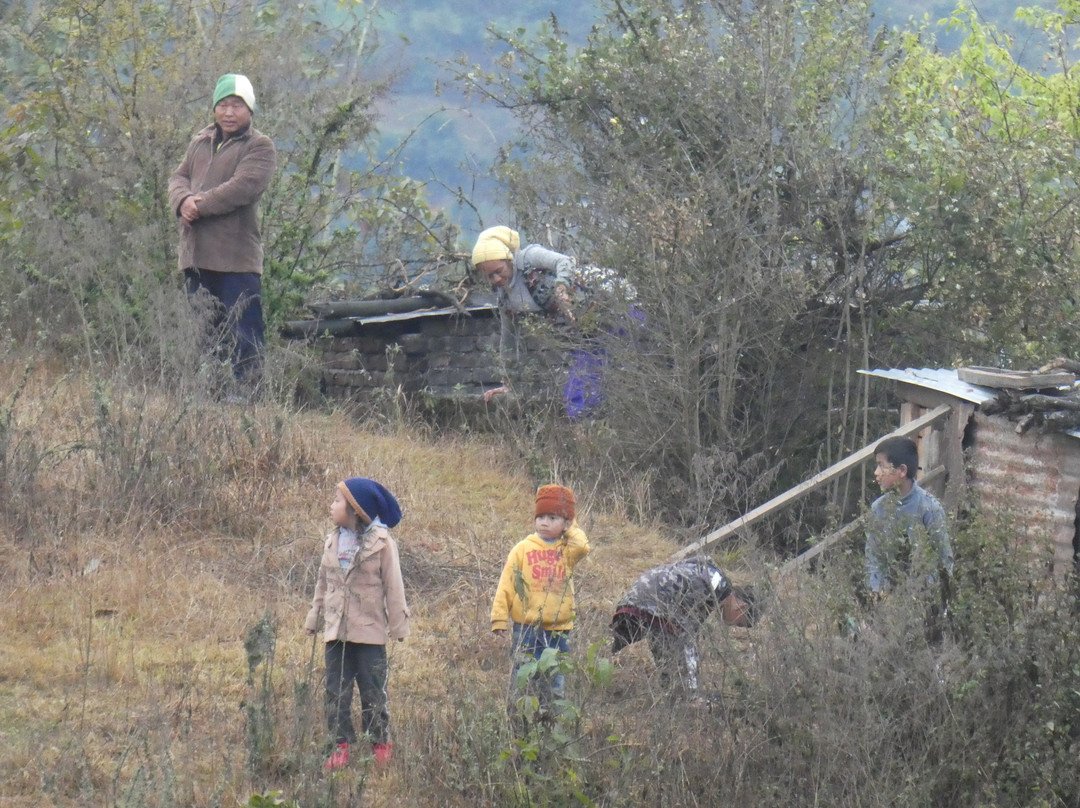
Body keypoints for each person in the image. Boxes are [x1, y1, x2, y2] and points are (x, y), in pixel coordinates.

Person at [168, 73, 277, 395]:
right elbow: (178, 176)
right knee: (204, 332)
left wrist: (198, 206)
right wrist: (182, 201)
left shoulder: (260, 146)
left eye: (237, 105)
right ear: (215, 108)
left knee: (245, 331)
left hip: (236, 259)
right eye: (223, 105)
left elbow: (244, 187)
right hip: (196, 255)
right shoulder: (199, 142)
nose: (229, 113)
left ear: (250, 110)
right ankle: (208, 396)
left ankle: (249, 398)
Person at [304, 477, 410, 771]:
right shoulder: (332, 541)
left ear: (356, 510)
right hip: (336, 631)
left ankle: (379, 742)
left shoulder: (383, 544)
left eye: (337, 501)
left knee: (373, 689)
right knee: (335, 690)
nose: (331, 505)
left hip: (370, 633)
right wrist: (315, 617)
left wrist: (399, 626)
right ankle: (340, 744)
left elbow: (394, 586)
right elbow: (323, 583)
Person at [491, 484, 591, 718]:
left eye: (553, 517)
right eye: (541, 516)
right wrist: (499, 618)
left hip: (558, 630)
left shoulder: (567, 550)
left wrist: (570, 520)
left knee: (555, 678)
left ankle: (550, 721)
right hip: (526, 629)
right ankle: (518, 720)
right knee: (523, 676)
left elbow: (583, 547)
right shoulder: (522, 549)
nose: (545, 522)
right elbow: (506, 584)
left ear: (565, 522)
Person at [471, 226, 587, 403]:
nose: (496, 279)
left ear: (509, 259)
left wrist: (561, 288)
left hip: (597, 316)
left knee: (585, 394)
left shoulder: (529, 258)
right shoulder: (504, 296)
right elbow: (508, 338)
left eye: (499, 271)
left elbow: (565, 262)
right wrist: (507, 381)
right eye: (489, 276)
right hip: (578, 338)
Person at [610, 557, 758, 694]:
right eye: (740, 623)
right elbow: (686, 636)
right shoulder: (714, 587)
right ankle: (680, 700)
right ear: (742, 607)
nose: (734, 625)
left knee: (671, 664)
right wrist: (693, 691)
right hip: (652, 606)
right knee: (678, 677)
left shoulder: (714, 582)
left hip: (635, 601)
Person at [865, 436, 953, 641]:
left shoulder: (929, 508)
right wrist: (876, 594)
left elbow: (945, 560)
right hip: (888, 606)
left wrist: (932, 602)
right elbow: (873, 558)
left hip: (925, 605)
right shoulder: (878, 510)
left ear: (901, 471)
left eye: (881, 466)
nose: (876, 473)